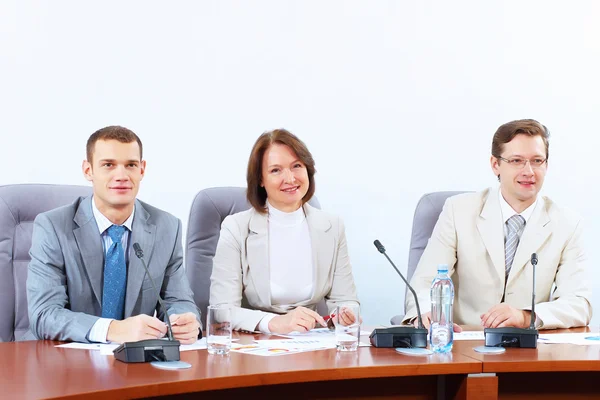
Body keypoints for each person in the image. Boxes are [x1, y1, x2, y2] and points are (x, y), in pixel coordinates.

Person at [404, 119, 591, 330]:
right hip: (463, 341)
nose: (529, 171)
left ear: (546, 165)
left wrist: (525, 316)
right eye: (517, 161)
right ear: (495, 165)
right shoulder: (458, 211)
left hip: (528, 348)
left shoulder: (567, 223)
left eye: (537, 161)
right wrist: (428, 315)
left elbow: (578, 304)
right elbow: (424, 283)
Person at [27, 126, 201, 344]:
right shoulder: (52, 227)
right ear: (88, 170)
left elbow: (178, 300)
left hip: (137, 365)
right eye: (108, 165)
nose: (121, 175)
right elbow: (44, 314)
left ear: (142, 170)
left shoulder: (167, 227)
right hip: (65, 361)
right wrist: (113, 329)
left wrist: (183, 321)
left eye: (130, 165)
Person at [209, 128, 359, 334]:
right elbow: (222, 310)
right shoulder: (236, 228)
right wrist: (273, 323)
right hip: (254, 344)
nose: (290, 178)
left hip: (313, 343)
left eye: (296, 166)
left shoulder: (333, 226)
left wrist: (346, 314)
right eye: (275, 170)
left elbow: (346, 300)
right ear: (260, 180)